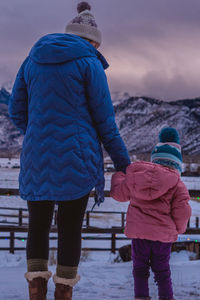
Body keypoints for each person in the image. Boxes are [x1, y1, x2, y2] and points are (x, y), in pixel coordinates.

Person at [9, 2, 130, 299]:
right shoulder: (89, 63)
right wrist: (125, 165)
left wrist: (39, 134)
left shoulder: (31, 60)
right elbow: (105, 122)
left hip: (36, 158)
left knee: (37, 226)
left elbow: (15, 110)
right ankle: (63, 292)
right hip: (77, 159)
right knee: (69, 229)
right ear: (92, 41)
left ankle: (36, 290)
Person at [110, 127, 191, 300]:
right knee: (162, 272)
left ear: (155, 160)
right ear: (177, 164)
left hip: (139, 235)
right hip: (163, 236)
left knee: (139, 270)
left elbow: (118, 193)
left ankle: (141, 297)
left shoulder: (135, 178)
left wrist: (119, 175)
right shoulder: (178, 185)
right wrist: (179, 229)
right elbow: (182, 211)